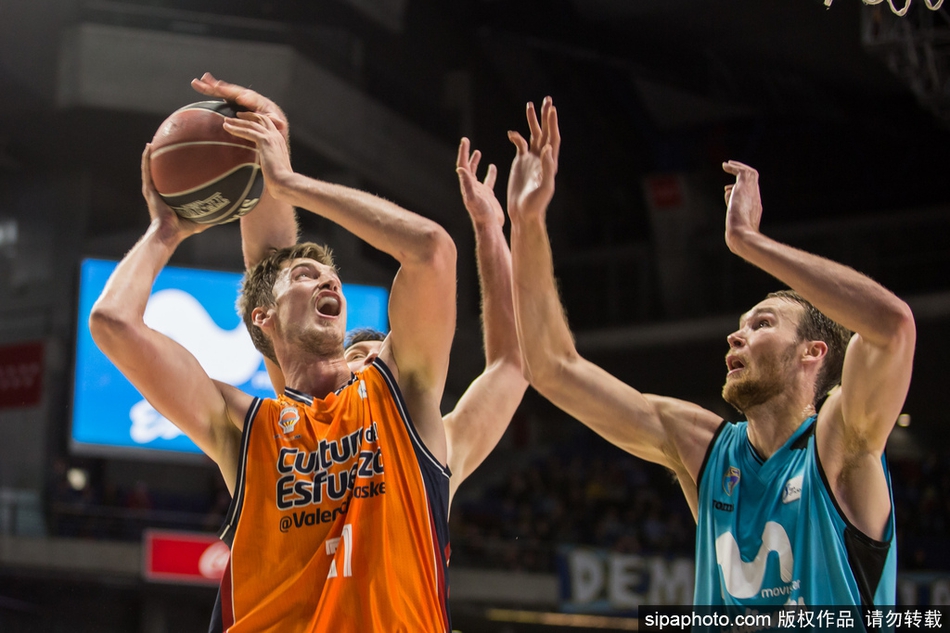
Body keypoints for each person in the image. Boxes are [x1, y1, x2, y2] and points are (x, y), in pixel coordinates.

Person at [505, 97, 916, 610]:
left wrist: (749, 242)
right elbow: (552, 367)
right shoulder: (702, 445)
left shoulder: (839, 443)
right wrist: (527, 223)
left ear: (812, 352)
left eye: (762, 324)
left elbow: (892, 328)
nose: (735, 336)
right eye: (739, 326)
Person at [90, 89, 458, 631]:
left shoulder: (400, 392)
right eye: (307, 275)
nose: (328, 280)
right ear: (261, 317)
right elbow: (112, 323)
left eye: (331, 277)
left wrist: (289, 183)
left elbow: (431, 251)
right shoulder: (246, 428)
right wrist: (164, 233)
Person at [192, 73, 529, 508]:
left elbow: (510, 365)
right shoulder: (300, 412)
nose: (373, 362)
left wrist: (491, 231)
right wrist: (273, 147)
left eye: (381, 355)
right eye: (358, 358)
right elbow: (271, 272)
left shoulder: (436, 440)